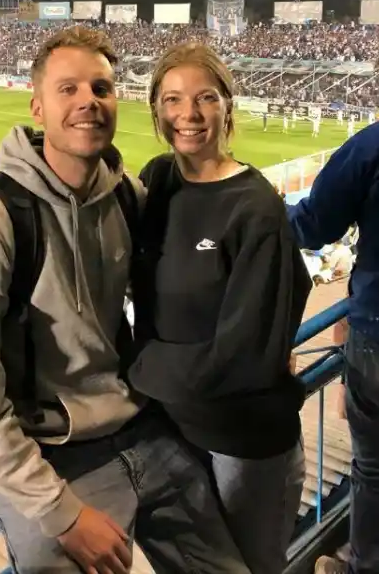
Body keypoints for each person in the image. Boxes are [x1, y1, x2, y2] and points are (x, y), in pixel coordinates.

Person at [0, 25, 250, 574]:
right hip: (49, 457)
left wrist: (259, 342)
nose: (88, 101)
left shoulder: (127, 197)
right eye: (68, 89)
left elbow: (182, 288)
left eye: (101, 88)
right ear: (37, 107)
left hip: (141, 428)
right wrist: (61, 514)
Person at [128, 42, 310, 574]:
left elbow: (246, 356)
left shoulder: (255, 207)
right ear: (156, 109)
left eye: (205, 97)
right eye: (173, 99)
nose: (189, 113)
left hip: (242, 445)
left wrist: (135, 365)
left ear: (227, 105)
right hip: (174, 436)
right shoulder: (158, 179)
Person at [287, 121, 379, 574]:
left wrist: (246, 202)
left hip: (376, 334)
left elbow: (311, 227)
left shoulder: (370, 147)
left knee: (374, 467)